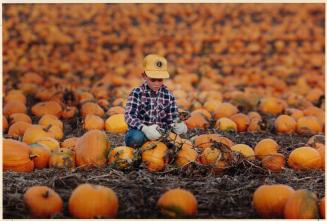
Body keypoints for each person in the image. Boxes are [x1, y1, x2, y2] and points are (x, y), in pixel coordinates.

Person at [124, 54, 188, 148]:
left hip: (160, 133)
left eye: (160, 80)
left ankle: (159, 146)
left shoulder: (168, 95)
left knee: (178, 142)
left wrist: (177, 124)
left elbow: (171, 117)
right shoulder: (137, 93)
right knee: (135, 138)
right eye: (153, 80)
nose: (157, 83)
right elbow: (129, 116)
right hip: (141, 131)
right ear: (144, 76)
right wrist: (145, 128)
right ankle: (140, 147)